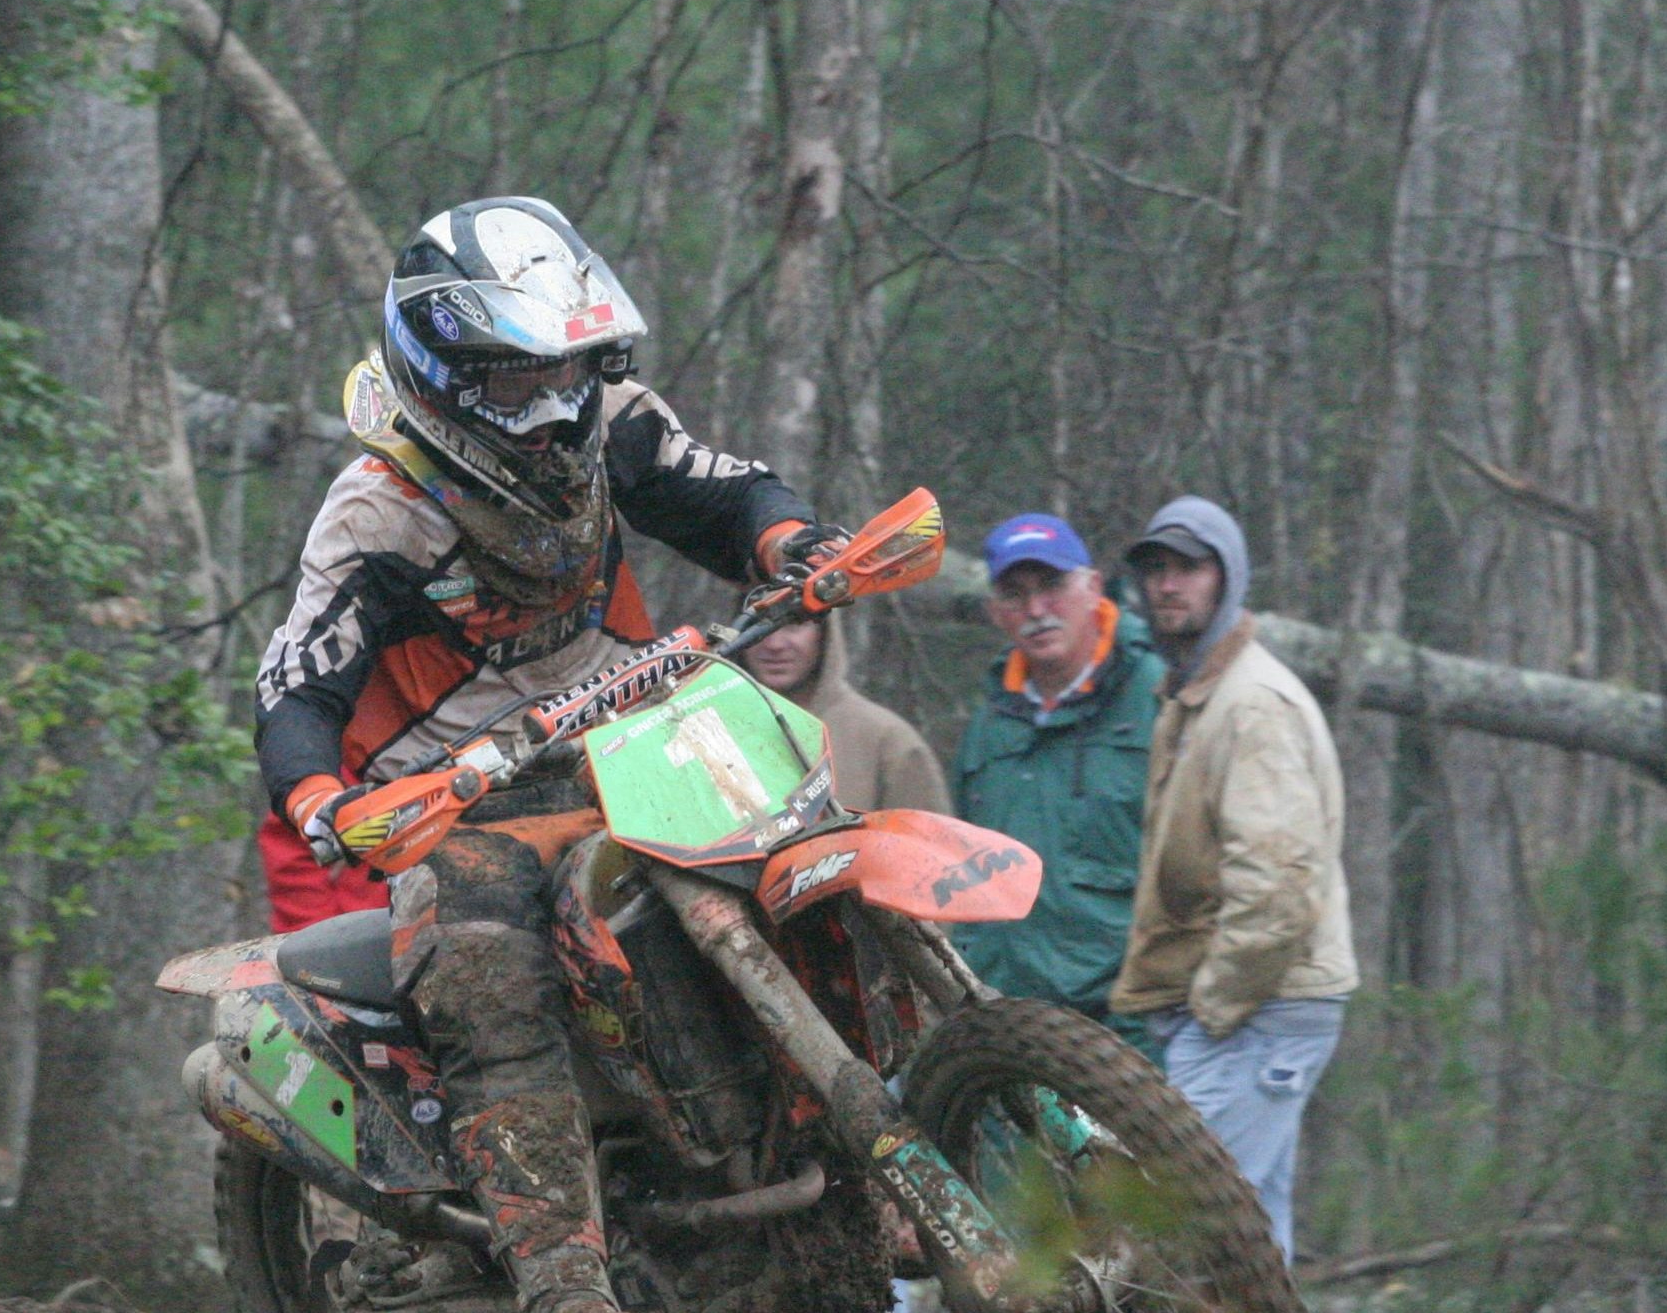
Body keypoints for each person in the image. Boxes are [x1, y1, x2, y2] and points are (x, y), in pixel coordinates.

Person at [256, 196, 836, 1313]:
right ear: (445, 376)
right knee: (489, 975)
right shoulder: (380, 509)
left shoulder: (606, 421)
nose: (554, 406)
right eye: (520, 382)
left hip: (632, 732)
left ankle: (899, 1109)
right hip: (464, 799)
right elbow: (297, 681)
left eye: (566, 369)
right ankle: (565, 1282)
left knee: (802, 824)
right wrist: (320, 796)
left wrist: (791, 539)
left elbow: (717, 490)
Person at [1106, 495, 1352, 1261]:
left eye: (1190, 567)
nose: (1168, 584)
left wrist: (1214, 1005)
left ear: (1228, 578)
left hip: (1258, 1009)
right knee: (1252, 1255)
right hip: (1252, 1008)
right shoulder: (1195, 695)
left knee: (1172, 1243)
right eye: (1155, 568)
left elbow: (1278, 886)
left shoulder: (1252, 706)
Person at [948, 512, 1167, 1050]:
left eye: (1052, 586)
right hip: (1009, 1020)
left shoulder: (1160, 697)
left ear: (1093, 588)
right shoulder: (989, 723)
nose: (1036, 610)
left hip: (1132, 1022)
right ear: (996, 612)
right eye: (1015, 595)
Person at [738, 616, 949, 814]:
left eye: (795, 623)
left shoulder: (887, 741)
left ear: (826, 634)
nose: (774, 644)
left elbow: (930, 839)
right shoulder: (720, 732)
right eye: (758, 625)